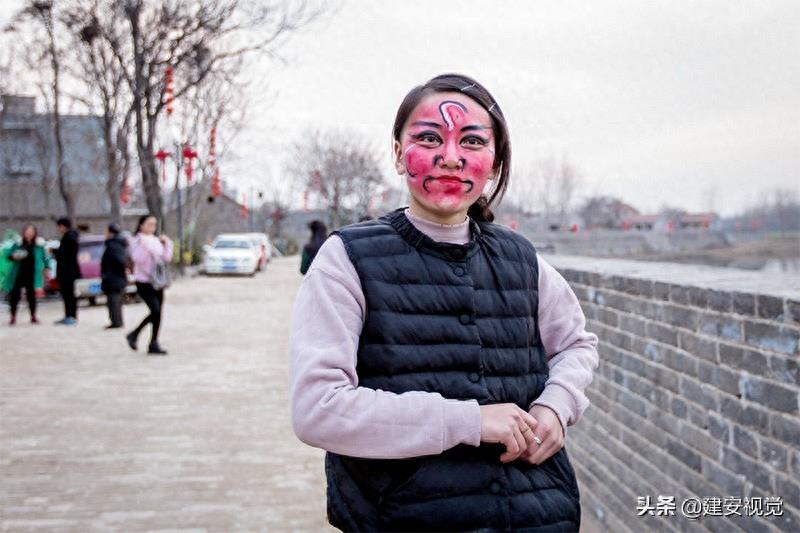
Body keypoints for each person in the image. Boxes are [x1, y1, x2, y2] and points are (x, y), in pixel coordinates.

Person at [289, 73, 599, 531]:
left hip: (538, 515)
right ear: (398, 153)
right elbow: (318, 408)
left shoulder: (522, 259)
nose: (450, 158)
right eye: (429, 138)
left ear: (494, 163)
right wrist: (469, 421)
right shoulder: (347, 260)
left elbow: (576, 344)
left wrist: (556, 406)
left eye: (472, 142)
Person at [126, 214, 172, 355]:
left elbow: (166, 258)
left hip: (157, 281)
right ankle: (134, 333)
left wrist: (167, 244)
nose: (153, 227)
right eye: (150, 224)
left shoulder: (156, 240)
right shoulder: (137, 240)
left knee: (158, 313)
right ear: (141, 225)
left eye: (154, 224)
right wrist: (146, 248)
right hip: (143, 281)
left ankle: (154, 342)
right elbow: (137, 259)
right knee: (155, 310)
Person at [3, 224, 48, 326]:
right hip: (18, 274)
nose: (29, 233)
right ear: (24, 232)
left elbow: (45, 258)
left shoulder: (38, 245)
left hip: (32, 274)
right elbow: (9, 255)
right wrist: (15, 256)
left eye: (31, 231)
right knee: (14, 296)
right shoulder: (18, 244)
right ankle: (13, 317)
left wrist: (47, 267)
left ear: (34, 233)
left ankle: (33, 316)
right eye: (27, 231)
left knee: (31, 296)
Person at [101, 223, 129, 329]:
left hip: (114, 278)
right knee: (114, 301)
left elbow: (120, 261)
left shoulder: (114, 245)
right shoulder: (116, 244)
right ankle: (116, 321)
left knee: (114, 301)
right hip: (115, 277)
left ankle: (117, 321)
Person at [53, 217, 81, 325]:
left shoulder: (69, 237)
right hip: (68, 272)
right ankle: (69, 315)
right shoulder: (70, 237)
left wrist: (56, 252)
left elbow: (66, 254)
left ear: (63, 226)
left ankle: (70, 316)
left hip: (68, 272)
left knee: (69, 295)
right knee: (68, 295)